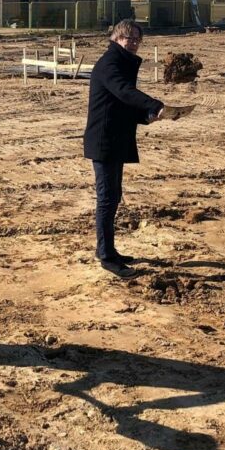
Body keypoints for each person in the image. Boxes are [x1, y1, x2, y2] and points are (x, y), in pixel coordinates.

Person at [83, 19, 165, 278]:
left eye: (137, 40)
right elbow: (124, 91)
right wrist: (153, 104)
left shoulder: (121, 62)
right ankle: (107, 257)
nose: (133, 43)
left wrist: (145, 116)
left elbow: (121, 103)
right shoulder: (110, 64)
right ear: (116, 38)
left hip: (114, 138)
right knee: (107, 199)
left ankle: (107, 250)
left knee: (113, 197)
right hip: (104, 141)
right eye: (128, 38)